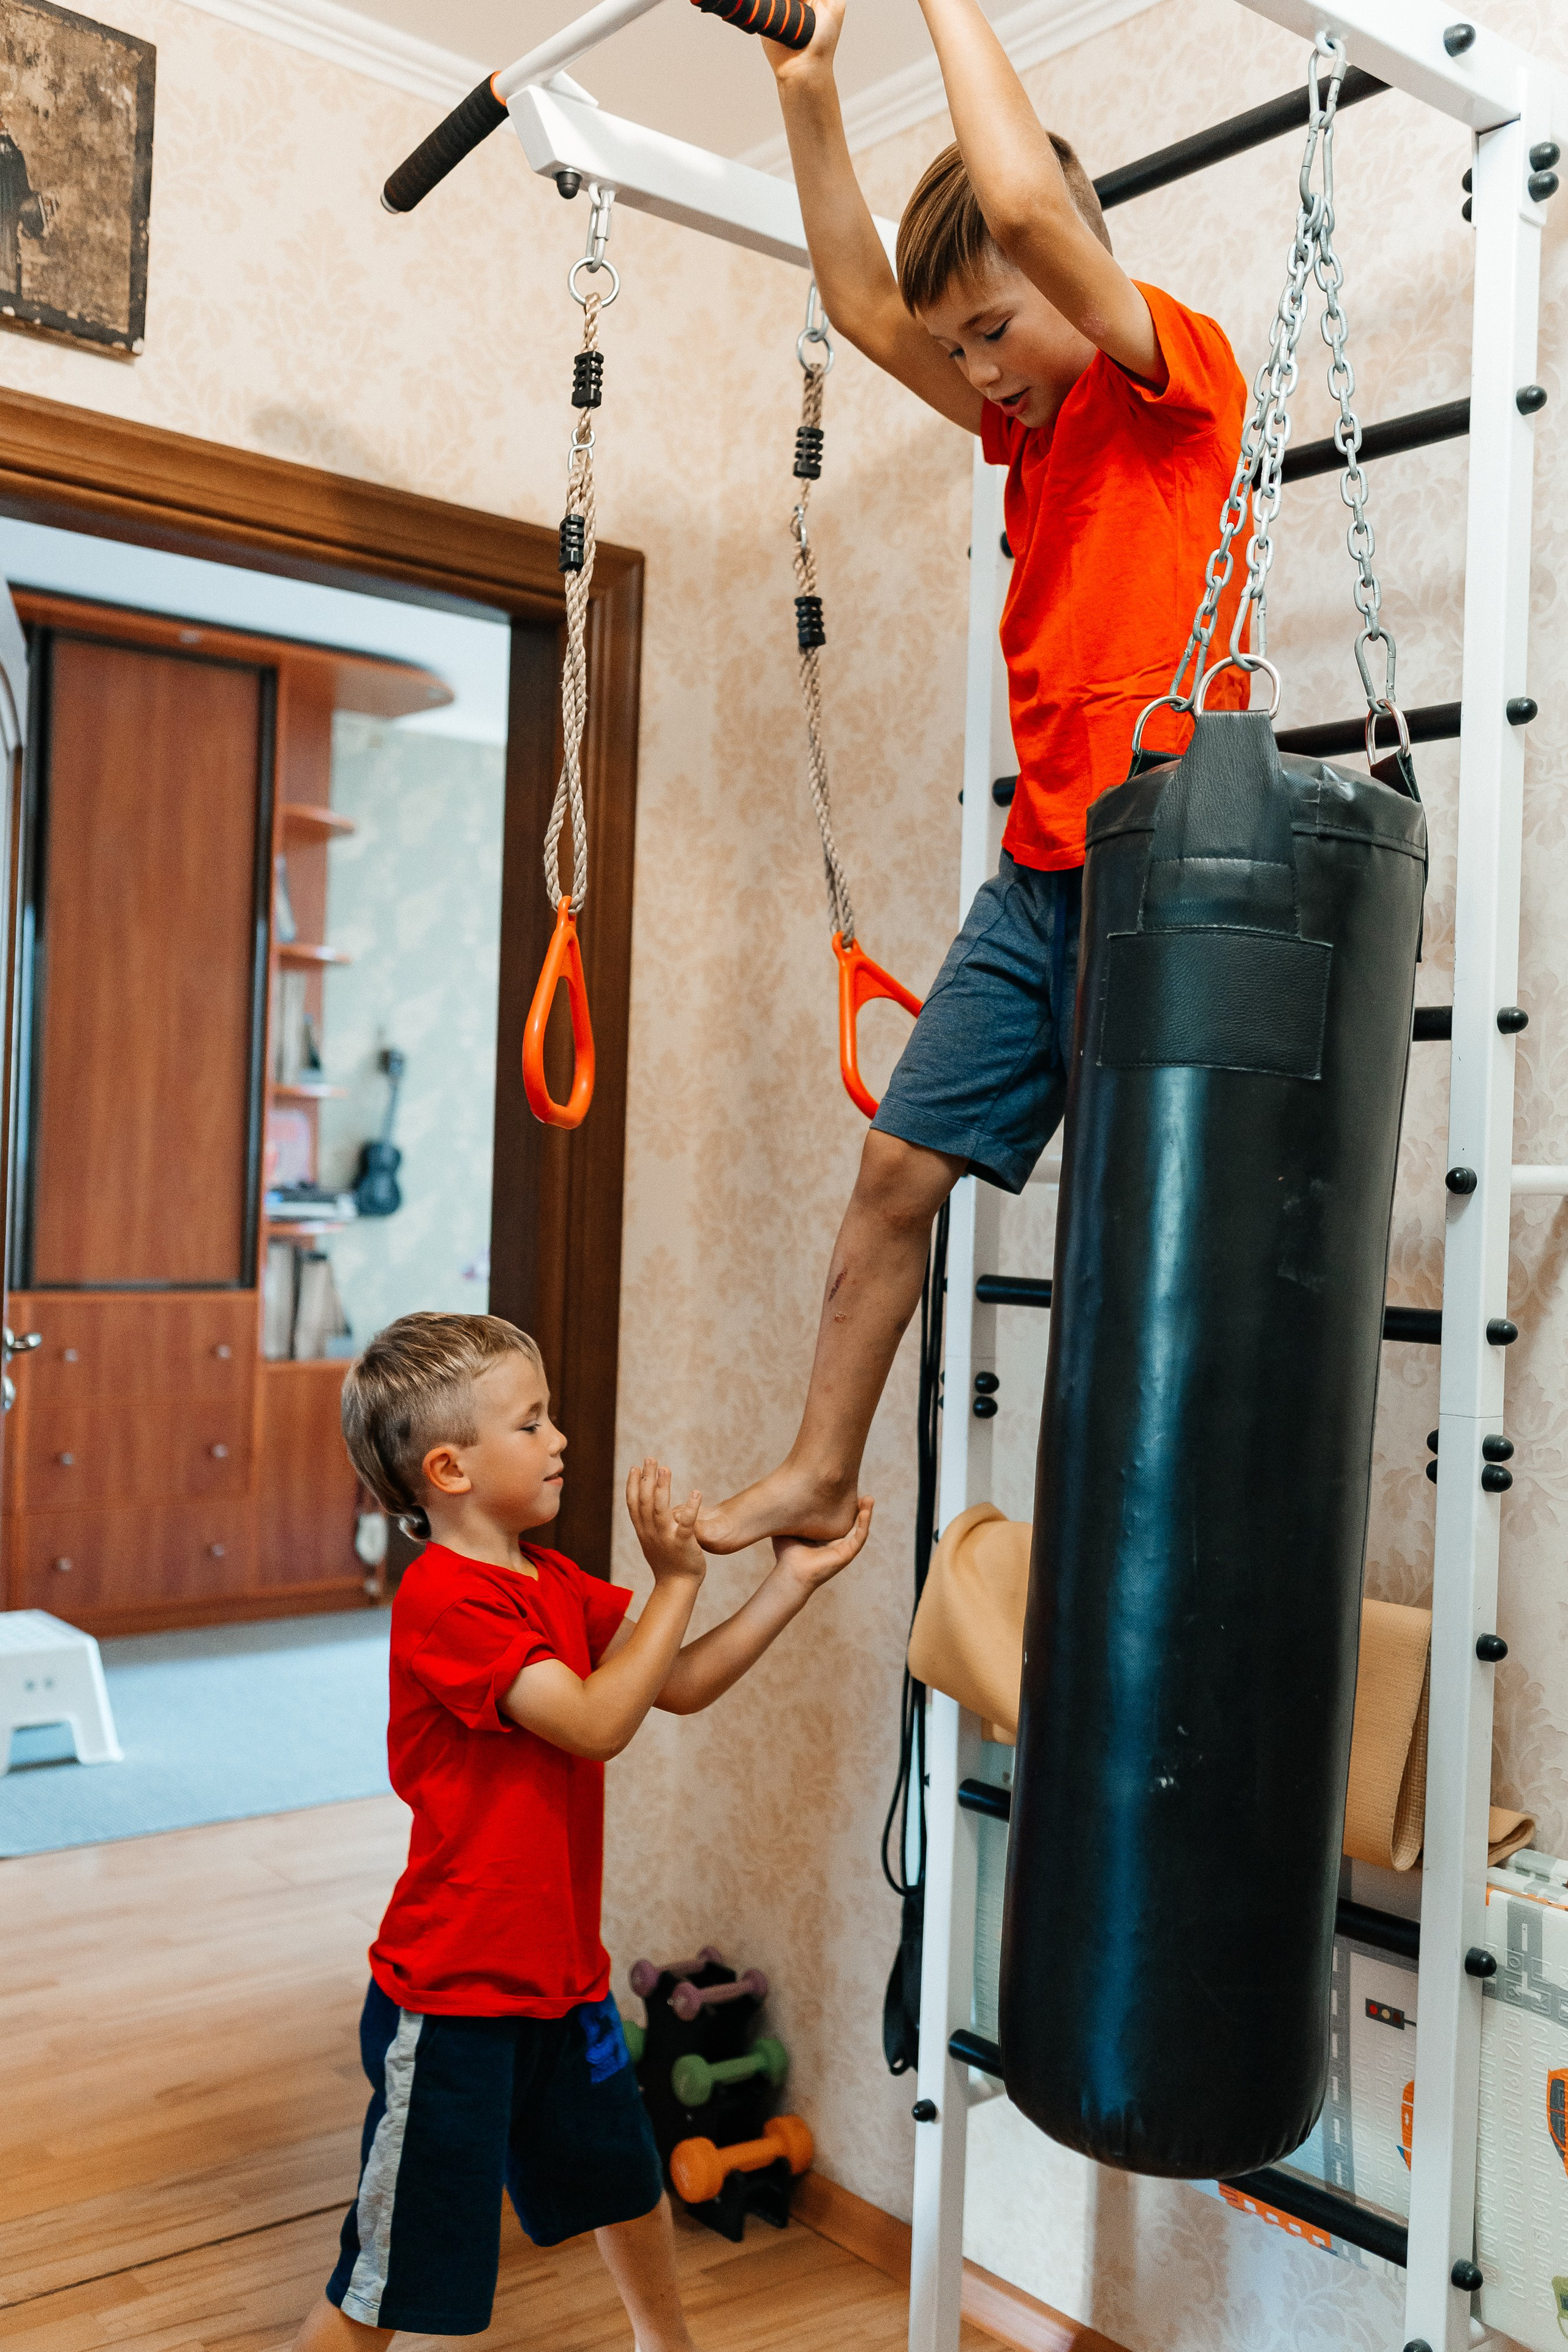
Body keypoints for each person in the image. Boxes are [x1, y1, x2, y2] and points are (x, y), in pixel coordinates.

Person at [696, 0, 1249, 1557]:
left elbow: (1018, 208)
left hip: (1172, 879)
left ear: (1076, 273)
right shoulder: (1031, 433)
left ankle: (1152, 1515)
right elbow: (872, 310)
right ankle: (818, 1464)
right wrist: (806, 88)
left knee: (1143, 1231)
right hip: (1039, 877)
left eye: (994, 331)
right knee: (894, 1169)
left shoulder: (1167, 386)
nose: (974, 374)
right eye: (964, 354)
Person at [290, 1311, 871, 2352]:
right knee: (389, 2273)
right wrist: (681, 1578)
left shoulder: (551, 1584)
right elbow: (601, 1724)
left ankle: (666, 2344)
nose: (560, 1440)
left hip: (560, 1978)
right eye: (533, 1422)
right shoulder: (446, 1604)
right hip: (456, 1994)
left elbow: (677, 1683)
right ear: (450, 1468)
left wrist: (789, 1582)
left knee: (623, 2177)